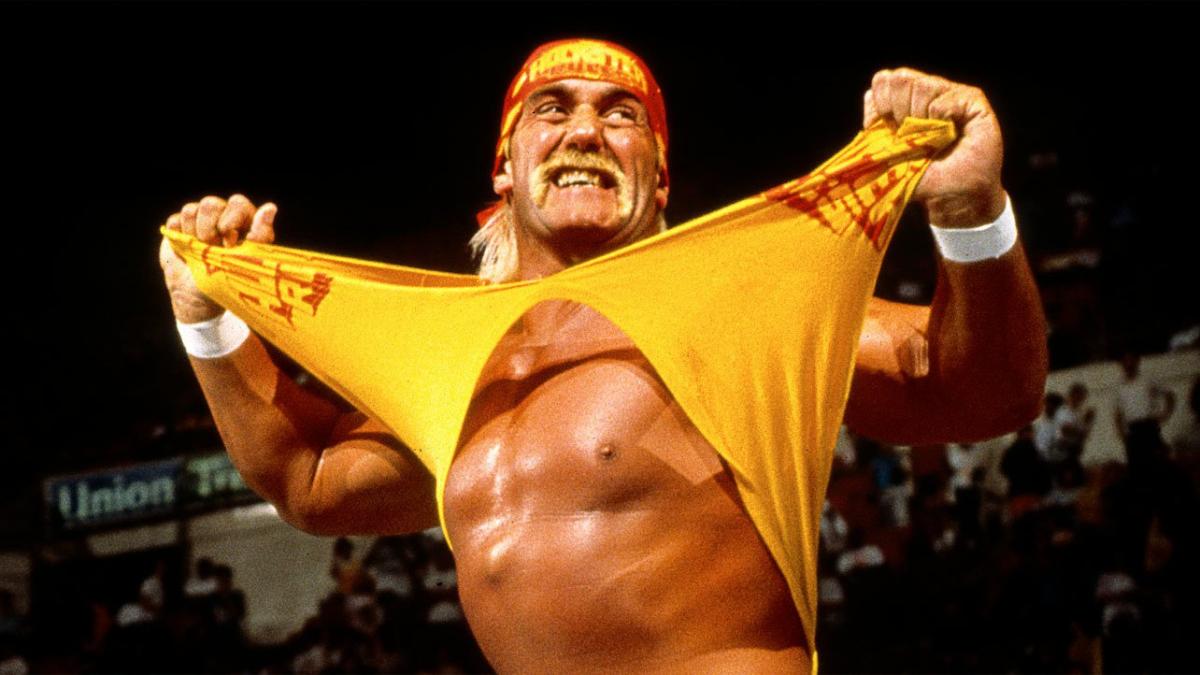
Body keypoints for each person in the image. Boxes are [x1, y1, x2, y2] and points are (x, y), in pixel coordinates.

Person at [157, 39, 1045, 672]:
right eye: (552, 110)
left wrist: (970, 211)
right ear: (505, 169)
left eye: (622, 116)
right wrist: (205, 316)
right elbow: (310, 479)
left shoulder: (734, 304)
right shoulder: (446, 362)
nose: (585, 130)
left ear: (659, 176)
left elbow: (984, 394)